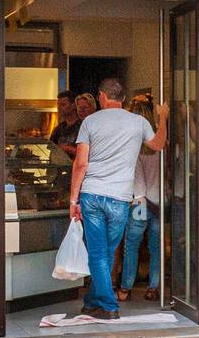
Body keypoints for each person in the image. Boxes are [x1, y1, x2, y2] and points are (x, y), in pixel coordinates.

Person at [69, 78, 168, 319]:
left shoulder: (90, 122)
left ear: (102, 97)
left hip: (92, 195)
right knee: (105, 251)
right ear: (122, 98)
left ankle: (109, 306)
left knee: (99, 253)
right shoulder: (139, 122)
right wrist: (162, 117)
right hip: (120, 199)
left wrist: (73, 200)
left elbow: (81, 164)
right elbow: (158, 145)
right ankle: (93, 301)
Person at [118, 95, 163, 303]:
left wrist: (138, 199)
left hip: (140, 202)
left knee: (132, 245)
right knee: (156, 247)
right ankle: (153, 287)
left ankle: (126, 288)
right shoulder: (162, 142)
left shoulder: (134, 145)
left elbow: (137, 179)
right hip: (160, 201)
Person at [50, 90, 95, 158]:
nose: (59, 108)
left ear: (73, 106)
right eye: (58, 105)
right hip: (61, 167)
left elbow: (91, 154)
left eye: (63, 104)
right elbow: (51, 150)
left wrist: (68, 148)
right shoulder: (59, 129)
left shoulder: (84, 126)